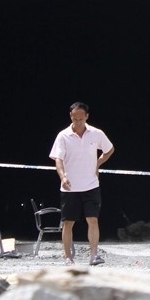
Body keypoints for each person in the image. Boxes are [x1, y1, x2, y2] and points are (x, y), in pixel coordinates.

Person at [49, 101, 114, 266]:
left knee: (92, 219)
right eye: (74, 118)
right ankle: (68, 257)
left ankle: (94, 255)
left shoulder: (96, 133)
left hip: (91, 185)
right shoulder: (63, 136)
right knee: (68, 222)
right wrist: (63, 177)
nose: (78, 121)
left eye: (81, 118)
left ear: (86, 117)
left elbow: (109, 149)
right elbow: (58, 159)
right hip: (70, 187)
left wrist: (97, 164)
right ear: (70, 117)